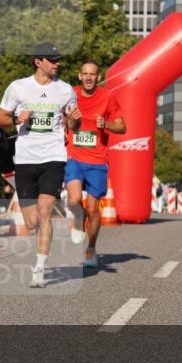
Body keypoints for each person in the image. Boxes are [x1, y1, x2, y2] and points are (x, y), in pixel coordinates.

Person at [0, 42, 79, 287]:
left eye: (58, 60)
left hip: (53, 156)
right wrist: (15, 118)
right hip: (25, 158)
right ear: (38, 61)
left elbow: (74, 125)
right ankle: (40, 256)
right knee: (31, 220)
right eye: (52, 60)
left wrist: (73, 121)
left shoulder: (64, 90)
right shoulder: (18, 87)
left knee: (45, 212)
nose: (57, 64)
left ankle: (39, 268)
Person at [63, 60, 125, 268]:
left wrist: (106, 124)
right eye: (85, 74)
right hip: (74, 156)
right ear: (79, 76)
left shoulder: (107, 97)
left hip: (97, 160)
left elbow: (122, 127)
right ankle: (78, 219)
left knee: (93, 209)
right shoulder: (70, 93)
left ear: (98, 77)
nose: (89, 77)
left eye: (93, 74)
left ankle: (91, 247)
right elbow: (60, 117)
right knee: (73, 200)